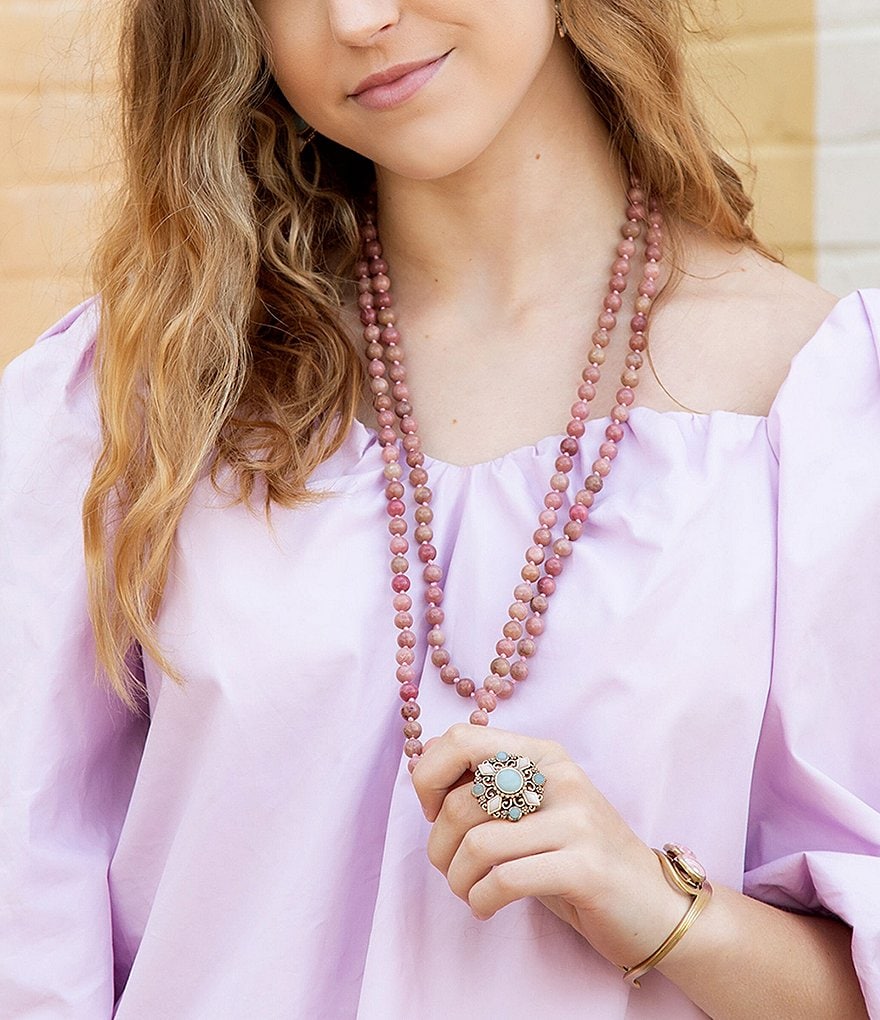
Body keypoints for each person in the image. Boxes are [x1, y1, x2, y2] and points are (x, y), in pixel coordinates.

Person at [1, 0, 878, 1016]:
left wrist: (662, 907)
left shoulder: (815, 414)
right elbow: (26, 927)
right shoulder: (137, 402)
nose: (360, 19)